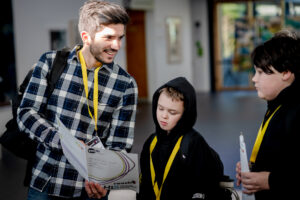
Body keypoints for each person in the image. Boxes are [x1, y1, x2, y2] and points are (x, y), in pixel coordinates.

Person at [17, 0, 138, 199]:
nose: (116, 45)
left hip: (88, 190)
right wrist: (63, 142)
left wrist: (106, 181)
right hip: (45, 183)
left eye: (120, 38)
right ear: (86, 37)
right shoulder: (50, 63)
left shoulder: (126, 85)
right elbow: (26, 113)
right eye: (108, 37)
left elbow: (119, 143)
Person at [138, 77, 226, 200]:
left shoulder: (193, 144)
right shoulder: (151, 142)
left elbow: (204, 188)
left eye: (172, 112)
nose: (164, 116)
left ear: (185, 114)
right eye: (160, 108)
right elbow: (145, 185)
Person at [236, 30, 300, 199]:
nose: (254, 79)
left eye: (261, 72)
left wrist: (271, 181)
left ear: (286, 72)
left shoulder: (296, 112)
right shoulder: (278, 105)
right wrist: (253, 168)